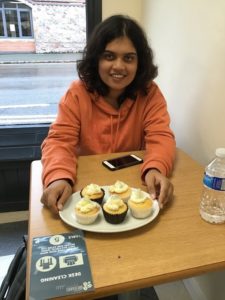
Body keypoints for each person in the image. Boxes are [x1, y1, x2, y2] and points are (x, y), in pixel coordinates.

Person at [41, 14, 176, 215]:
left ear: (140, 62)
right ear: (96, 59)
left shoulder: (150, 93)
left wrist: (155, 168)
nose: (119, 66)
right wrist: (59, 177)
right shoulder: (77, 94)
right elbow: (59, 141)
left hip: (132, 188)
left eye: (128, 58)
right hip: (85, 190)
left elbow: (161, 136)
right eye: (109, 56)